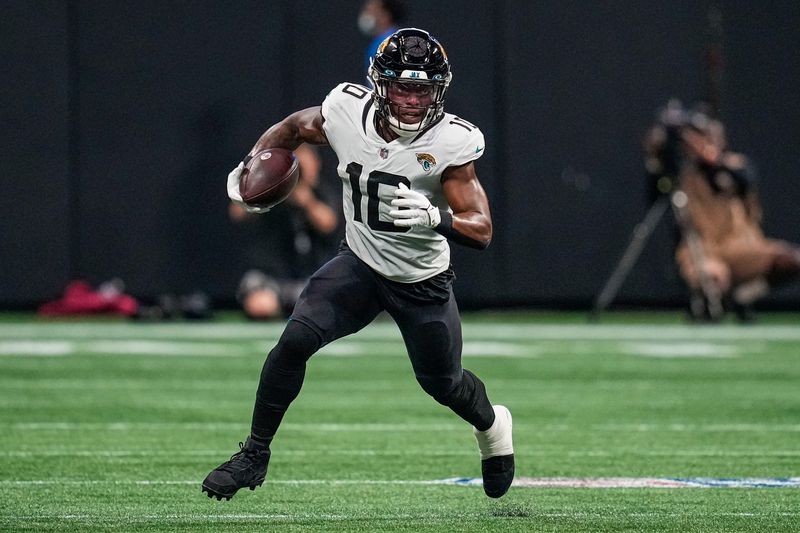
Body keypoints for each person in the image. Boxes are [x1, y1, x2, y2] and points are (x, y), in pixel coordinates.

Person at [203, 28, 514, 501]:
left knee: (444, 383)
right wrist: (253, 162)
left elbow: (482, 228)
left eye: (424, 90)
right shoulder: (347, 112)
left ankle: (493, 428)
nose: (413, 101)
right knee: (293, 343)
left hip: (421, 280)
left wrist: (436, 217)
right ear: (380, 85)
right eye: (403, 88)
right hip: (361, 263)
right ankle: (254, 455)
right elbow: (292, 127)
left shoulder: (451, 141)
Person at [645, 102, 800, 321]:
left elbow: (742, 180)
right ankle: (711, 302)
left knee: (792, 260)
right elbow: (655, 194)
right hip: (703, 250)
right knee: (712, 282)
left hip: (742, 247)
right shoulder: (681, 173)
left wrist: (711, 159)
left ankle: (744, 297)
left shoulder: (735, 164)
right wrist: (656, 156)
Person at [230, 144, 341, 319]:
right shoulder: (271, 192)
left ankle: (295, 306)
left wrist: (306, 201)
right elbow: (237, 213)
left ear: (316, 164)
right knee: (261, 305)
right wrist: (261, 187)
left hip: (309, 277)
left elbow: (328, 223)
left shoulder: (321, 193)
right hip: (271, 276)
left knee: (326, 307)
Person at [358, 0, 405, 78]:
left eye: (371, 10)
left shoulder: (390, 44)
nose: (366, 14)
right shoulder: (380, 41)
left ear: (385, 15)